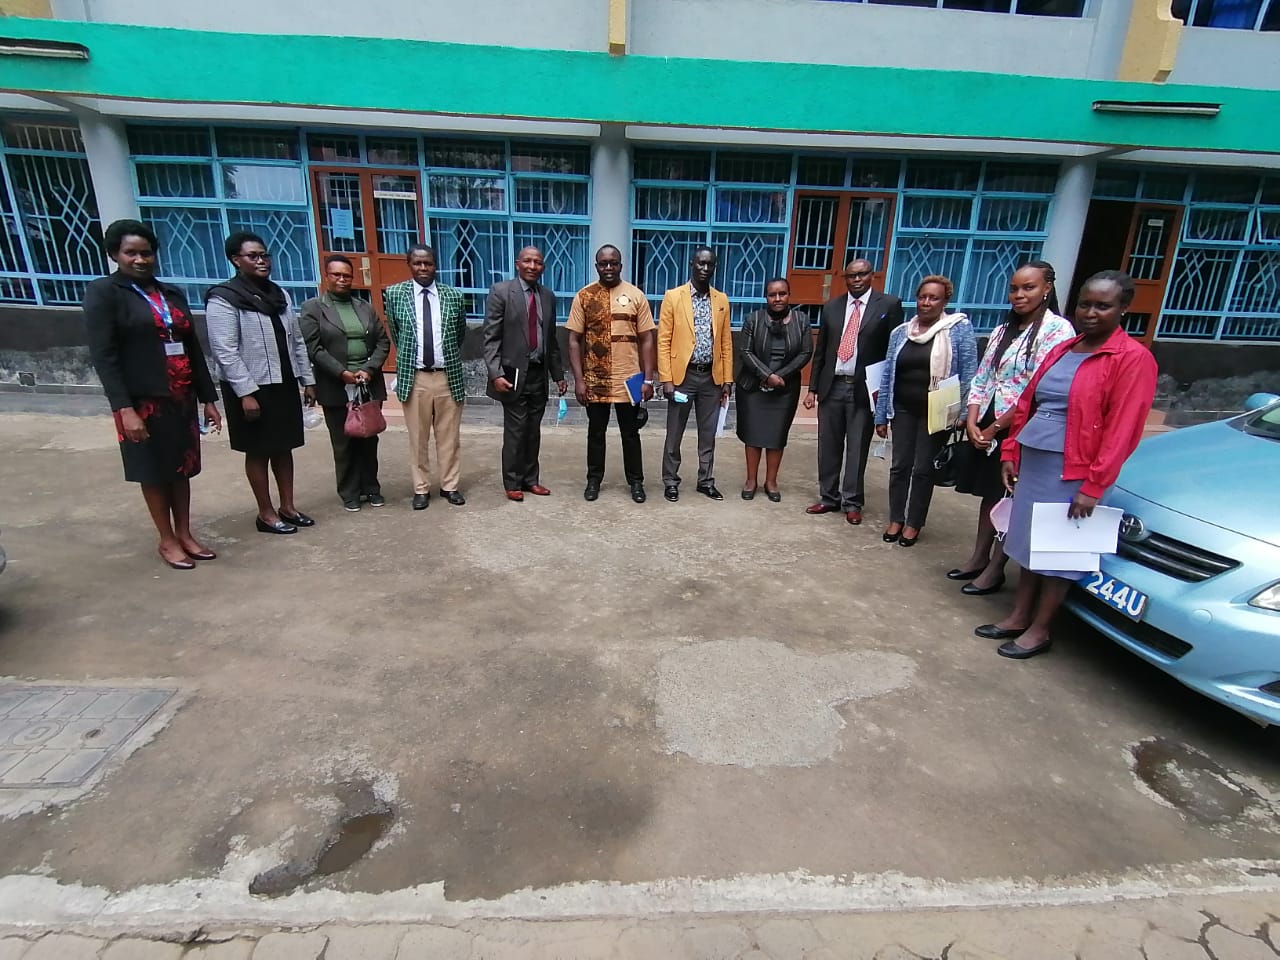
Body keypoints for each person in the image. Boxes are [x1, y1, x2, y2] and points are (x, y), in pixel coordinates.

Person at [977, 271, 1158, 659]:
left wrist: (1094, 486)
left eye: (1102, 306)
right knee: (1026, 541)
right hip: (1036, 460)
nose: (1090, 313)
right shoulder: (1066, 348)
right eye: (1085, 304)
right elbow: (1027, 402)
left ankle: (1040, 629)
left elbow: (1123, 429)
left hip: (1075, 469)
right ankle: (1018, 615)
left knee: (1060, 552)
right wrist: (1011, 451)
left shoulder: (1131, 359)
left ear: (1123, 308)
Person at [84, 218, 223, 570]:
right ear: (115, 254)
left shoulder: (171, 294)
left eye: (146, 253)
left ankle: (186, 533)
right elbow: (105, 355)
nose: (140, 260)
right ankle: (167, 539)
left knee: (182, 468)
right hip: (141, 401)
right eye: (131, 253)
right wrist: (124, 409)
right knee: (153, 470)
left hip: (180, 397)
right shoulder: (105, 293)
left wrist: (209, 398)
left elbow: (192, 347)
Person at [947, 261, 1076, 596]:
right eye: (1014, 288)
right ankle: (978, 556)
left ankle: (996, 568)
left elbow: (1036, 388)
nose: (1019, 295)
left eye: (1028, 288)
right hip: (988, 416)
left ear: (1047, 287)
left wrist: (994, 429)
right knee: (990, 493)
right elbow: (983, 375)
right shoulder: (1004, 329)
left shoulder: (1057, 331)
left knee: (1009, 497)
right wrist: (973, 418)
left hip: (1022, 425)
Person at [206, 231, 317, 535]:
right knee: (258, 450)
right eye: (253, 256)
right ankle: (266, 513)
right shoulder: (224, 298)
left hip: (282, 382)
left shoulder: (279, 294)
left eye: (265, 255)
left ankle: (288, 506)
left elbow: (295, 342)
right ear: (235, 260)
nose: (261, 261)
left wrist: (307, 380)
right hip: (251, 389)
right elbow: (224, 350)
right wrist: (246, 392)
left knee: (284, 446)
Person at [873, 275, 978, 547]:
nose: (926, 302)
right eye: (922, 297)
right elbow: (888, 375)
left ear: (945, 301)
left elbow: (968, 372)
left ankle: (913, 523)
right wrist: (881, 414)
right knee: (899, 466)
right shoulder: (901, 333)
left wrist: (964, 413)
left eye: (934, 298)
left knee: (923, 469)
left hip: (938, 409)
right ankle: (896, 518)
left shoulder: (958, 329)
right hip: (903, 408)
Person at [804, 258, 902, 524]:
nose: (857, 280)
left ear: (872, 276)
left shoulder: (889, 305)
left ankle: (852, 502)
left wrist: (885, 396)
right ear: (845, 279)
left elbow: (893, 354)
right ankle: (828, 497)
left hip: (865, 390)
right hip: (832, 385)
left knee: (857, 447)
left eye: (862, 274)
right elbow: (821, 350)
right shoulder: (832, 307)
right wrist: (812, 388)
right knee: (828, 446)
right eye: (851, 276)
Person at [298, 255, 391, 512]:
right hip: (335, 383)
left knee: (369, 436)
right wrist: (341, 372)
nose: (342, 280)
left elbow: (383, 342)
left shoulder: (364, 307)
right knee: (344, 440)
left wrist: (369, 369)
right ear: (326, 277)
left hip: (366, 382)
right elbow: (314, 348)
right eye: (336, 275)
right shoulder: (313, 308)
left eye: (346, 275)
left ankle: (371, 487)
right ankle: (349, 491)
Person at [566, 244, 656, 504]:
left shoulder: (636, 295)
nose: (608, 267)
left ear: (620, 265)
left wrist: (648, 379)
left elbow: (647, 339)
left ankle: (636, 482)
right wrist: (579, 380)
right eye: (603, 263)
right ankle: (594, 480)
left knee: (631, 433)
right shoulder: (584, 296)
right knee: (596, 433)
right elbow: (574, 340)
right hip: (595, 380)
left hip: (629, 381)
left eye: (613, 263)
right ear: (596, 267)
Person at [384, 243, 467, 510]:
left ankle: (449, 486)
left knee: (449, 437)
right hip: (415, 377)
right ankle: (421, 488)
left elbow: (459, 334)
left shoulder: (453, 295)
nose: (423, 268)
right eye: (417, 263)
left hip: (447, 377)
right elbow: (396, 334)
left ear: (435, 265)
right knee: (418, 438)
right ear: (409, 264)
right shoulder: (395, 294)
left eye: (428, 263)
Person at [483, 246, 567, 501]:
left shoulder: (548, 296)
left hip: (538, 375)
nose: (532, 266)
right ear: (518, 263)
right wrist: (496, 373)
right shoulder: (501, 292)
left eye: (538, 262)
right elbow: (491, 338)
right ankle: (512, 481)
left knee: (533, 430)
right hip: (512, 375)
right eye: (528, 261)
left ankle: (531, 480)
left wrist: (559, 375)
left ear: (543, 267)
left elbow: (550, 340)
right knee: (516, 430)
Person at [657, 246, 733, 502]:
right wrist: (666, 379)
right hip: (682, 377)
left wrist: (727, 380)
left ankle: (705, 481)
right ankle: (670, 481)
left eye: (710, 265)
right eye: (700, 263)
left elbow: (725, 342)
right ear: (692, 264)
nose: (705, 269)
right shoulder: (673, 296)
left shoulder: (721, 300)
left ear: (715, 268)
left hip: (711, 377)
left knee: (708, 433)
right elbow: (663, 340)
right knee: (674, 432)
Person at [735, 277, 813, 502]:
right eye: (772, 294)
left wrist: (781, 376)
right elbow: (746, 351)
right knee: (753, 435)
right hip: (754, 387)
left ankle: (771, 481)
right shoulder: (754, 319)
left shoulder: (802, 320)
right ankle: (751, 480)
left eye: (782, 294)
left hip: (785, 389)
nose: (777, 299)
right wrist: (767, 376)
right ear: (766, 297)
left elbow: (805, 353)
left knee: (776, 436)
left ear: (789, 294)